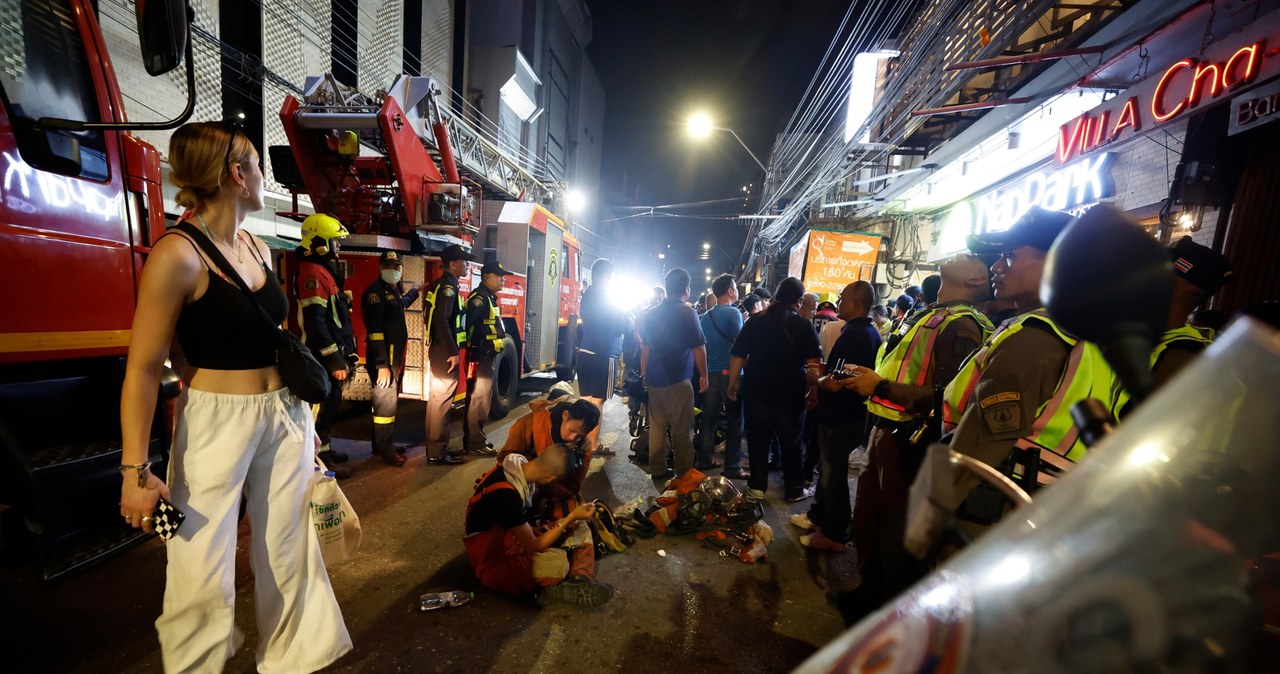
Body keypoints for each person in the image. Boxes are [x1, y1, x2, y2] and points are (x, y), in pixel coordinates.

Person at [119, 121, 350, 672]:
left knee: (292, 551)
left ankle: (294, 662)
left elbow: (274, 340)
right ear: (236, 174)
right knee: (196, 558)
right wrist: (135, 470)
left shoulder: (255, 245)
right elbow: (144, 368)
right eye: (257, 164)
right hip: (212, 425)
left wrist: (303, 420)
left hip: (285, 417)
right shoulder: (176, 255)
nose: (264, 175)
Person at [907, 207, 1119, 555]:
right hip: (1051, 507)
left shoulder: (1034, 338)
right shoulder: (1086, 331)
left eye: (1009, 256)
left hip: (994, 505)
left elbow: (982, 444)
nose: (996, 267)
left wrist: (931, 514)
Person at [836, 254, 993, 614]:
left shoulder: (964, 326)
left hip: (911, 439)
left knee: (895, 529)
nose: (961, 254)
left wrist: (883, 386)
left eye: (971, 259)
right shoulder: (930, 313)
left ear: (974, 280)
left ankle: (890, 610)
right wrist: (873, 378)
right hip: (885, 430)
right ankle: (869, 591)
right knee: (870, 519)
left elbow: (948, 396)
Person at [464, 444, 613, 606]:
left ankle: (579, 578)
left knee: (579, 523)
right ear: (551, 479)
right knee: (558, 562)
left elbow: (508, 521)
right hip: (493, 564)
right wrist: (569, 518)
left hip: (510, 539)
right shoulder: (507, 495)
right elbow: (533, 546)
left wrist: (534, 529)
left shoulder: (512, 467)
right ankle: (554, 588)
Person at [799, 281, 881, 553]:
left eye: (843, 298)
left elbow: (836, 382)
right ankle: (820, 517)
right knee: (827, 470)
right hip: (849, 414)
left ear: (856, 304)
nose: (838, 303)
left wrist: (815, 378)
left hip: (840, 417)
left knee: (833, 474)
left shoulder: (855, 335)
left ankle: (835, 533)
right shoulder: (867, 333)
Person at [728, 277, 823, 501]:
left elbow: (738, 354)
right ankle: (794, 490)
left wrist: (733, 383)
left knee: (758, 441)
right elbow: (813, 366)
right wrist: (814, 392)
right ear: (798, 301)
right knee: (792, 444)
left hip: (756, 393)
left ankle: (757, 488)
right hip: (790, 398)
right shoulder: (802, 325)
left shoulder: (755, 321)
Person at [295, 212, 356, 478]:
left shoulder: (322, 271)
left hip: (331, 352)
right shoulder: (312, 274)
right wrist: (333, 360)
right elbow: (316, 323)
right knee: (320, 409)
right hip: (321, 356)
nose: (338, 246)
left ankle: (326, 451)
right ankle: (318, 464)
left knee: (330, 407)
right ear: (320, 243)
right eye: (335, 241)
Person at [640, 268, 709, 479]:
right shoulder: (687, 312)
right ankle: (684, 474)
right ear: (686, 289)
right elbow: (699, 347)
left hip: (654, 379)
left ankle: (658, 469)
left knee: (657, 428)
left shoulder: (651, 313)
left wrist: (644, 373)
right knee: (682, 430)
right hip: (678, 380)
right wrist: (704, 376)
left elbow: (645, 347)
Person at [360, 250, 421, 466]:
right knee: (385, 405)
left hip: (394, 357)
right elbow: (374, 332)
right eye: (388, 267)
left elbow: (401, 305)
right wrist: (382, 365)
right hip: (384, 359)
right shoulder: (374, 294)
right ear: (380, 268)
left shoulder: (392, 290)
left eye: (397, 267)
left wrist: (415, 291)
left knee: (387, 402)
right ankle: (385, 450)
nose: (393, 270)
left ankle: (382, 444)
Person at [424, 244, 475, 465]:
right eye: (463, 262)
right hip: (445, 352)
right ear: (452, 264)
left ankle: (437, 448)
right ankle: (436, 452)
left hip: (440, 350)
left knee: (438, 401)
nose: (467, 265)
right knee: (442, 401)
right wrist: (453, 351)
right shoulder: (448, 287)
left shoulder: (443, 284)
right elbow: (441, 320)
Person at [577, 258, 632, 455]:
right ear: (607, 276)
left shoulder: (587, 295)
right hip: (604, 355)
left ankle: (581, 440)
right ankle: (592, 444)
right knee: (598, 401)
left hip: (585, 352)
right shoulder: (609, 299)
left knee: (586, 400)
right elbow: (625, 326)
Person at [699, 274, 746, 477]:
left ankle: (704, 460)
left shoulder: (704, 317)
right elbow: (741, 346)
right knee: (735, 422)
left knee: (708, 420)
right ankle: (732, 467)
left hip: (711, 373)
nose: (737, 291)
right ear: (729, 291)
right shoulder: (734, 314)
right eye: (735, 287)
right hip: (730, 374)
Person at [463, 259, 512, 455]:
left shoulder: (488, 297)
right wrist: (473, 349)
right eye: (499, 277)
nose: (503, 280)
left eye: (503, 277)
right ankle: (474, 443)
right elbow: (467, 327)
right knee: (478, 398)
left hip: (486, 354)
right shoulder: (479, 299)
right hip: (480, 354)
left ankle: (476, 439)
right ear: (486, 277)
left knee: (482, 398)